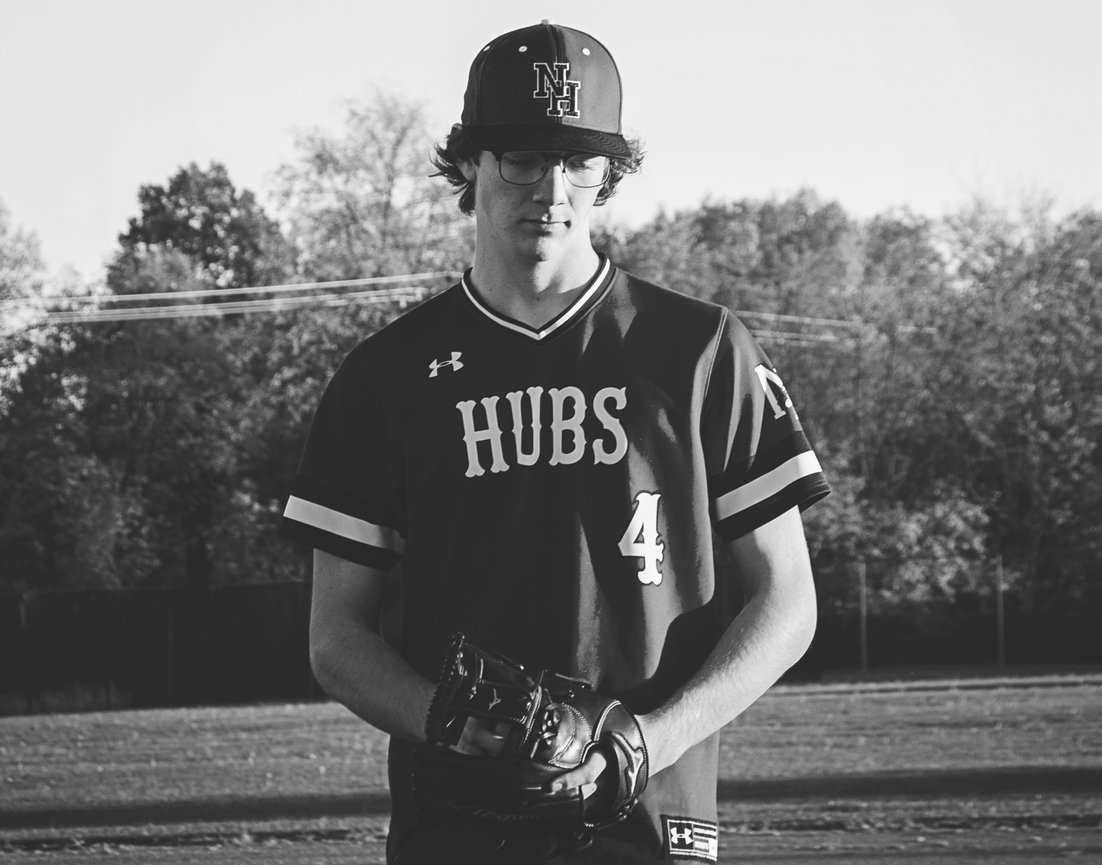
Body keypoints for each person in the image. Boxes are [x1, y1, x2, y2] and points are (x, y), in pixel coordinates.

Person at [281, 20, 830, 864]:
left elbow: (788, 601)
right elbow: (335, 638)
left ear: (612, 172)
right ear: (470, 162)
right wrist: (452, 725)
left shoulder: (700, 350)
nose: (553, 188)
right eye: (524, 157)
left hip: (651, 823)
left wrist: (650, 739)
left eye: (579, 161)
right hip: (458, 829)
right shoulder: (384, 376)